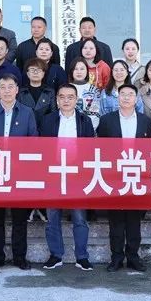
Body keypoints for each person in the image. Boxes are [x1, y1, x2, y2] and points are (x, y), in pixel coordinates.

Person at [0, 74, 39, 270]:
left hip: (19, 171)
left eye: (10, 86)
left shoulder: (27, 112)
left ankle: (19, 257)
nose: (6, 90)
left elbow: (33, 140)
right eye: (3, 87)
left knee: (19, 219)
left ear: (17, 90)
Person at [97, 84, 151, 273]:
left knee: (134, 220)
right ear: (118, 97)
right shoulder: (107, 120)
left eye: (130, 94)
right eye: (123, 94)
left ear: (136, 99)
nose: (126, 98)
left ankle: (133, 257)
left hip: (137, 175)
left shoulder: (146, 121)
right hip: (114, 175)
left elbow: (150, 150)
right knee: (116, 220)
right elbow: (100, 148)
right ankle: (116, 257)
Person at [39, 83, 95, 271]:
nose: (66, 100)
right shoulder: (48, 120)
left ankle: (82, 257)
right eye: (62, 97)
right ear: (57, 100)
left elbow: (91, 148)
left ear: (76, 100)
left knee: (79, 218)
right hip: (53, 173)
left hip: (77, 175)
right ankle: (56, 255)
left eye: (70, 97)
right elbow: (41, 147)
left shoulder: (84, 120)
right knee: (52, 217)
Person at [17, 58, 57, 124]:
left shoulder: (50, 91)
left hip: (45, 126)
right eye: (32, 69)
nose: (35, 72)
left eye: (38, 70)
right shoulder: (20, 91)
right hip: (25, 125)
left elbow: (53, 113)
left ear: (43, 73)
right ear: (27, 73)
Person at [68, 57, 103, 129]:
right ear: (71, 71)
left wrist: (88, 129)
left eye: (82, 69)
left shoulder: (94, 90)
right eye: (76, 69)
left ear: (87, 71)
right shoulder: (65, 89)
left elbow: (96, 113)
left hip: (89, 129)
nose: (79, 72)